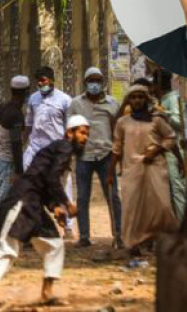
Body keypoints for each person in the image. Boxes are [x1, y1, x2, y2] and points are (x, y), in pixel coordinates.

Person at [0, 115, 89, 307]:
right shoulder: (64, 147)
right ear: (70, 133)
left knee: (54, 245)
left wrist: (54, 207)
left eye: (87, 134)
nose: (85, 138)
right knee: (9, 248)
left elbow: (44, 180)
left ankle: (46, 293)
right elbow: (51, 178)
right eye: (82, 133)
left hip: (33, 203)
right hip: (23, 200)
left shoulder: (58, 150)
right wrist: (66, 203)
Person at [109, 84, 178, 256]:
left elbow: (170, 138)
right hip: (132, 169)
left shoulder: (156, 120)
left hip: (155, 167)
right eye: (133, 97)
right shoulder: (122, 122)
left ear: (146, 99)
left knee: (160, 205)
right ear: (129, 101)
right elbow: (117, 148)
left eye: (140, 97)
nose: (137, 100)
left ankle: (160, 238)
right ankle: (133, 243)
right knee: (133, 206)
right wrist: (110, 172)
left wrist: (157, 150)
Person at [67, 67, 123, 248]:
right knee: (83, 197)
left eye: (98, 80)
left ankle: (119, 235)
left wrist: (118, 154)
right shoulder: (76, 104)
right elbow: (69, 130)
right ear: (85, 83)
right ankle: (84, 236)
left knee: (113, 197)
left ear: (102, 82)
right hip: (84, 156)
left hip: (106, 155)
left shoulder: (112, 103)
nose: (94, 84)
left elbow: (117, 128)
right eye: (91, 80)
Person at [23, 66, 75, 234]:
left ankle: (68, 226)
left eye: (43, 80)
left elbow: (70, 129)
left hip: (56, 151)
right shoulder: (33, 99)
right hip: (35, 149)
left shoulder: (65, 100)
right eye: (38, 81)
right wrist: (23, 146)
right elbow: (29, 125)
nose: (41, 83)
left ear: (52, 80)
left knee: (62, 186)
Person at [0, 76, 29, 224]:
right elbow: (16, 144)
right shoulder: (15, 114)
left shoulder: (7, 108)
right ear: (26, 92)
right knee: (4, 198)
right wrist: (19, 171)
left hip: (1, 158)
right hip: (7, 162)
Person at [152, 68, 187, 220]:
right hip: (162, 149)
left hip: (174, 150)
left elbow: (180, 124)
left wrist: (164, 113)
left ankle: (183, 224)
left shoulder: (173, 100)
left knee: (177, 189)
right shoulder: (160, 100)